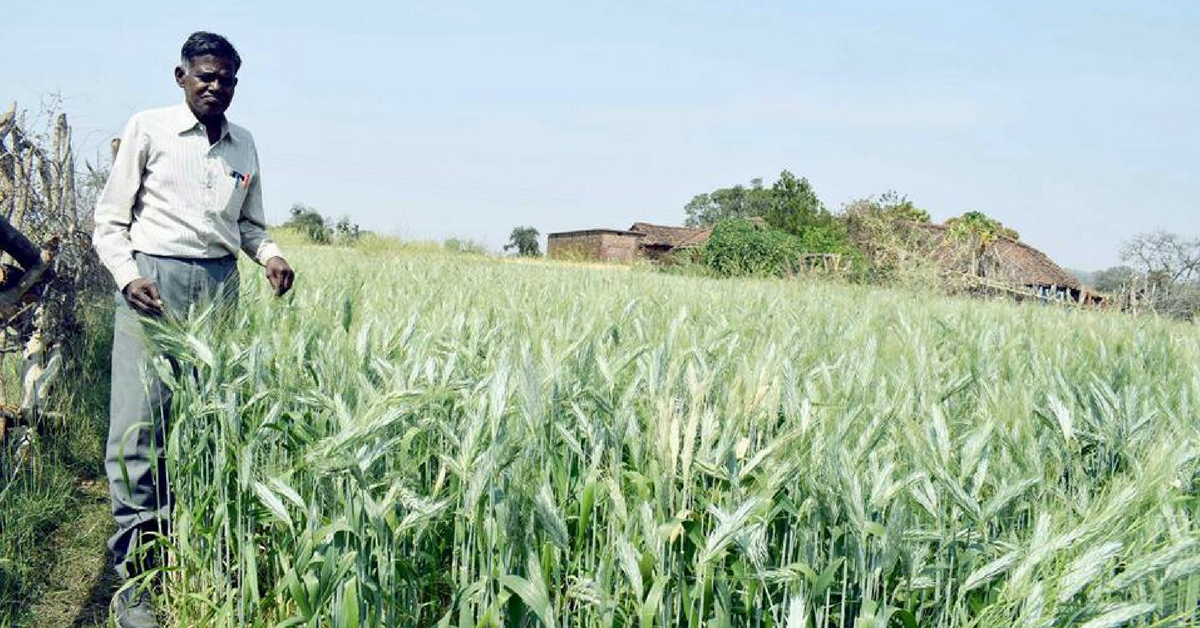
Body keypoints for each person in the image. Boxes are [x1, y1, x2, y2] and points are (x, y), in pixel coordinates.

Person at [92, 31, 295, 628]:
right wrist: (129, 279)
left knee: (206, 434)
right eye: (205, 76)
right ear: (181, 76)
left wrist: (272, 256)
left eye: (228, 78)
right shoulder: (148, 128)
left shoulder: (244, 145)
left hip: (220, 289)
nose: (216, 86)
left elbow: (251, 226)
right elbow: (109, 220)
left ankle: (196, 564)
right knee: (138, 433)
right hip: (152, 287)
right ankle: (137, 587)